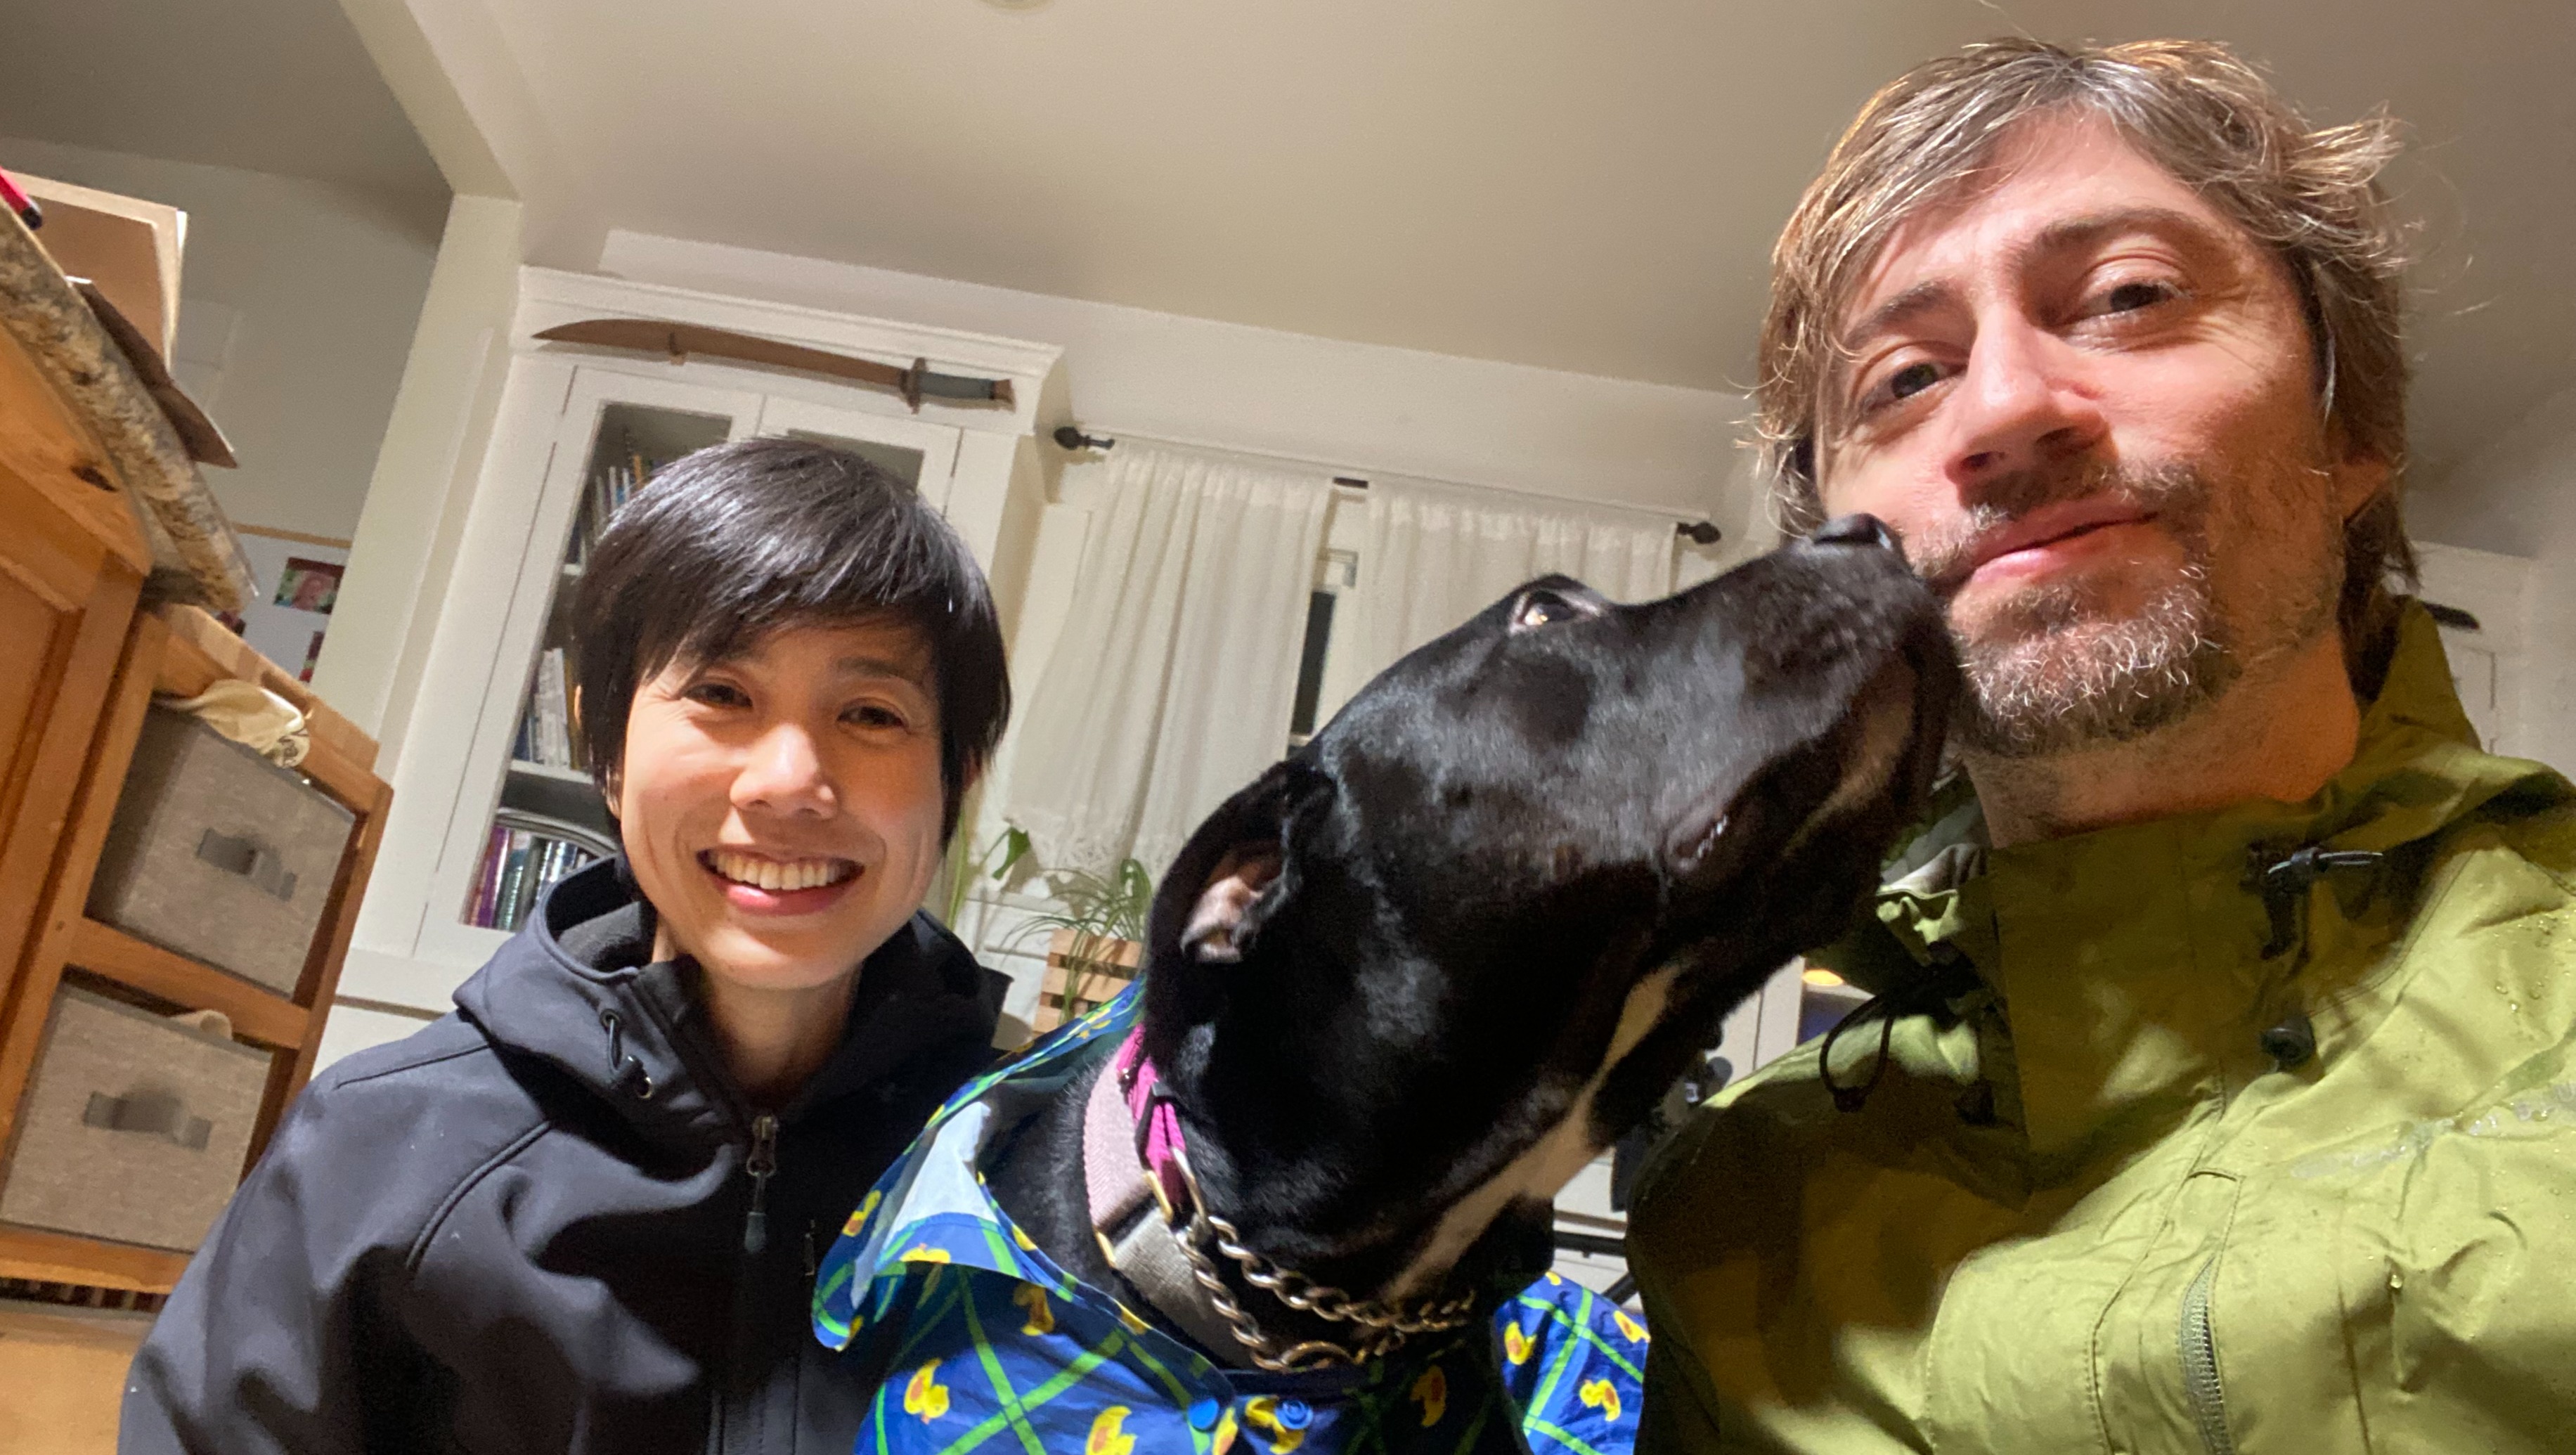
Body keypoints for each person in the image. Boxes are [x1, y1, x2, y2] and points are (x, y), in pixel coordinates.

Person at [1629, 39, 2576, 1453]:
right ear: (1836, 571)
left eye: (2129, 297)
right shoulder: (1732, 1214)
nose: (2005, 408)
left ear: (2353, 427)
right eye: (1902, 378)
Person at [123, 438, 1014, 1454]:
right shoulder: (381, 1145)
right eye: (723, 694)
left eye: (870, 713)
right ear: (607, 745)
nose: (787, 782)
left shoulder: (1021, 1174)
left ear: (956, 776)